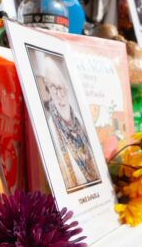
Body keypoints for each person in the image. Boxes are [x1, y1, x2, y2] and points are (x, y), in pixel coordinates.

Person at [42, 57, 100, 190]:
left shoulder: (78, 118)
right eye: (53, 88)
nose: (59, 94)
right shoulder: (50, 127)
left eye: (61, 88)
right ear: (49, 91)